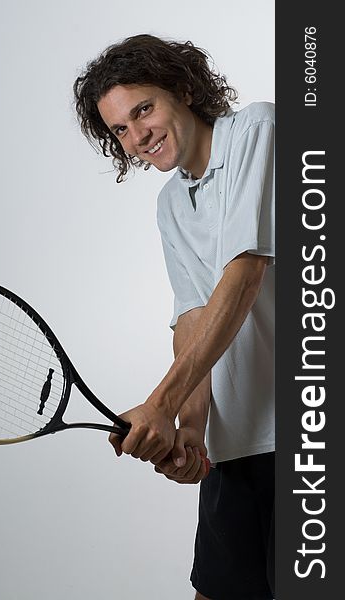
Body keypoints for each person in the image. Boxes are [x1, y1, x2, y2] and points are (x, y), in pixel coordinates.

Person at [73, 34, 275, 600]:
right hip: (237, 446)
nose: (138, 136)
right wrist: (189, 430)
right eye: (119, 128)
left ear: (184, 89)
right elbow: (192, 319)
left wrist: (159, 403)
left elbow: (244, 274)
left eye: (144, 109)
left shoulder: (257, 131)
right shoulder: (171, 204)